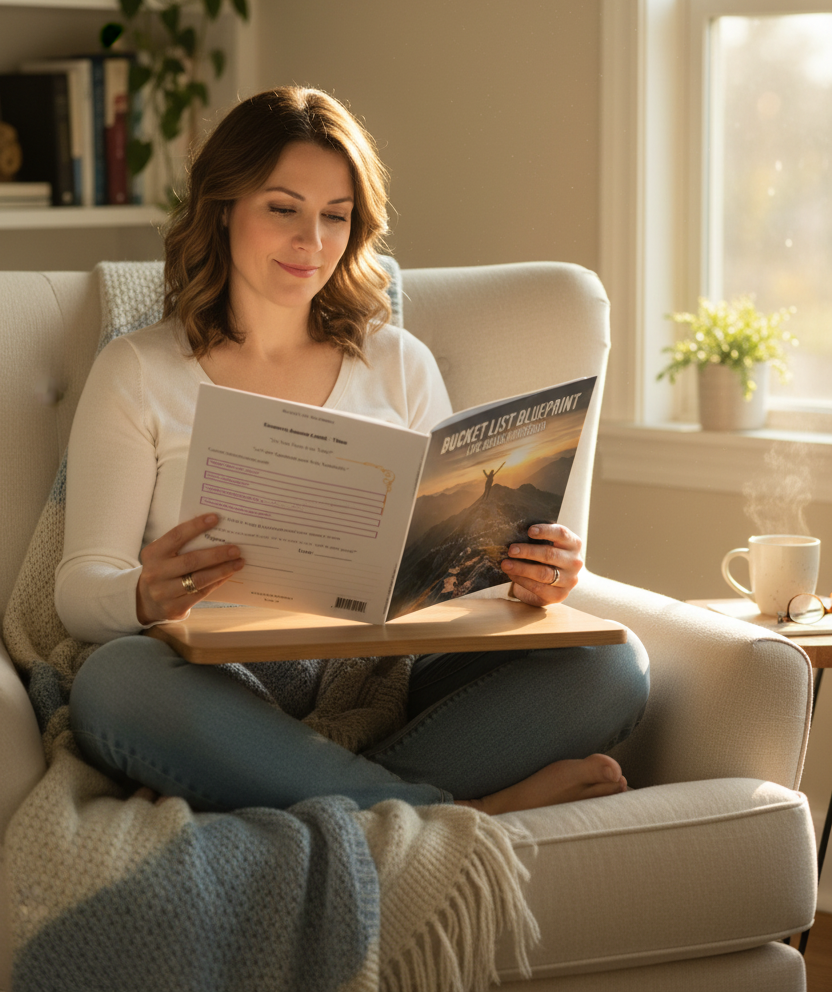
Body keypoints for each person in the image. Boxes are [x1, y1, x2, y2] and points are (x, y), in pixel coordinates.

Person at [60, 86, 649, 817]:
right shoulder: (139, 370)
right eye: (283, 209)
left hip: (378, 679)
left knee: (613, 668)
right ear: (222, 208)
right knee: (114, 685)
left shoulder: (396, 363)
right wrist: (140, 594)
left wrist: (527, 580)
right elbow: (79, 587)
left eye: (335, 217)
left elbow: (445, 580)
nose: (312, 241)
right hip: (218, 683)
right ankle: (457, 811)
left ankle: (321, 791)